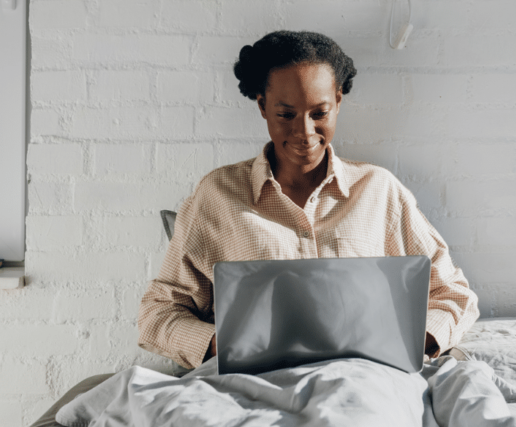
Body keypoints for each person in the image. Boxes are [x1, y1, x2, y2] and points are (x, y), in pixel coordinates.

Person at [138, 30, 479, 369]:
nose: (304, 132)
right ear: (262, 105)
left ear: (338, 101)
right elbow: (157, 314)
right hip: (254, 388)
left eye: (319, 113)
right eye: (286, 114)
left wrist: (408, 343)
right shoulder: (217, 195)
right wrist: (222, 344)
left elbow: (454, 295)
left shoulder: (378, 190)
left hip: (367, 383)